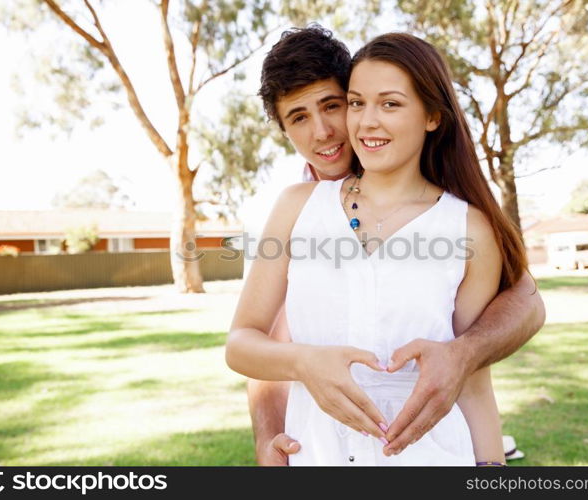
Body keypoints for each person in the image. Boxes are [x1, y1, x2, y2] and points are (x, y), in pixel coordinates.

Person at [227, 30, 539, 466]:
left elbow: (514, 315)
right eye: (298, 117)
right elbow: (253, 339)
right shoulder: (295, 208)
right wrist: (269, 435)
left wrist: (463, 361)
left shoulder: (462, 222)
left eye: (334, 105)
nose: (324, 131)